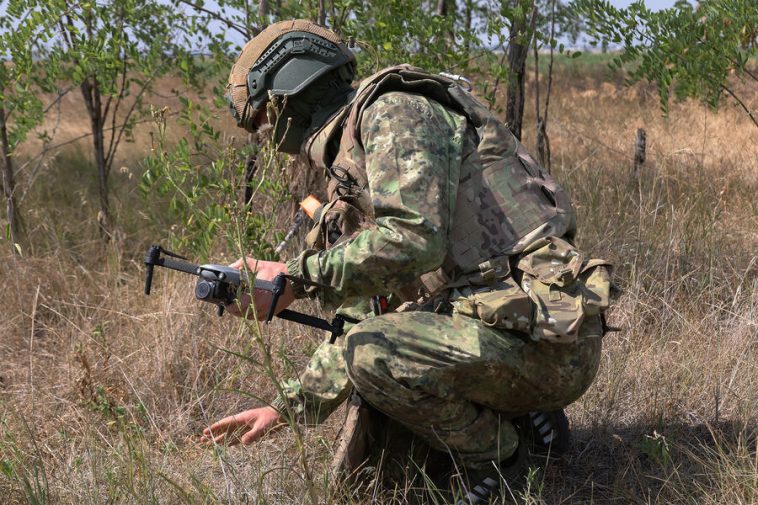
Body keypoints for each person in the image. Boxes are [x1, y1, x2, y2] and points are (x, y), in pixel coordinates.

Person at [199, 19, 613, 503]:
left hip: (550, 346)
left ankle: (502, 455)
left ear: (286, 100)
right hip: (511, 333)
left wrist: (297, 277)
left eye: (263, 118)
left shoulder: (393, 114)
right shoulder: (353, 165)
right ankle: (526, 421)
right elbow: (363, 312)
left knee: (373, 354)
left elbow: (416, 240)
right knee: (371, 411)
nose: (266, 135)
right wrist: (289, 407)